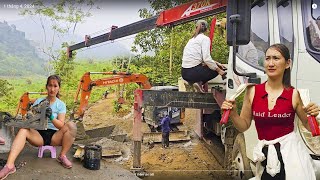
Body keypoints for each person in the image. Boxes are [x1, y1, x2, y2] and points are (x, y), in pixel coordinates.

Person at [221, 43, 319, 179]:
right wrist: (233, 114)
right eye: (267, 58)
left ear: (287, 63)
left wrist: (314, 114)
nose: (271, 63)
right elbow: (243, 125)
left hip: (291, 158)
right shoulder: (252, 91)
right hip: (264, 156)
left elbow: (309, 127)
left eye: (276, 58)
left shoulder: (295, 94)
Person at [0, 75, 77, 179]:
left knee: (71, 125)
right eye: (50, 85)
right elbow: (31, 120)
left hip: (55, 136)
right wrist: (30, 116)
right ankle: (9, 166)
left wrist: (51, 116)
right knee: (23, 130)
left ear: (59, 88)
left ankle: (62, 156)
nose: (52, 89)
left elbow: (61, 125)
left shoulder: (61, 105)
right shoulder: (38, 101)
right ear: (46, 86)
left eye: (55, 86)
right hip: (38, 135)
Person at [181, 19, 227, 93]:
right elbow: (206, 59)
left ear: (196, 28)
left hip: (184, 73)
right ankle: (199, 83)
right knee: (215, 70)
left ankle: (192, 83)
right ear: (206, 29)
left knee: (213, 66)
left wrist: (217, 63)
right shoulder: (205, 39)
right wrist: (219, 70)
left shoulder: (191, 40)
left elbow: (200, 59)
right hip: (193, 72)